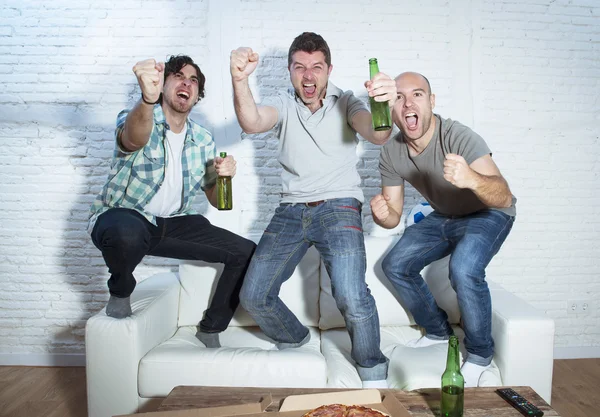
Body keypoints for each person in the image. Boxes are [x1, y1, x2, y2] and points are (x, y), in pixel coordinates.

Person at [230, 32, 397, 388]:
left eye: (316, 67)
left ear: (329, 69)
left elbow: (377, 134)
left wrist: (386, 100)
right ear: (290, 70)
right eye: (300, 67)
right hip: (290, 210)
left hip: (339, 206)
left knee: (350, 295)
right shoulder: (283, 103)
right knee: (254, 295)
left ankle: (372, 372)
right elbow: (252, 121)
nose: (308, 76)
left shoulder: (347, 102)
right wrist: (240, 80)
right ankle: (294, 340)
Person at [88, 55, 256, 348]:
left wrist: (225, 177)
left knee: (245, 252)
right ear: (163, 85)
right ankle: (121, 290)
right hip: (125, 216)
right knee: (126, 231)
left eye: (193, 81)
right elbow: (133, 138)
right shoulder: (137, 116)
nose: (186, 83)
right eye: (178, 76)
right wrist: (146, 99)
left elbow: (217, 201)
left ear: (197, 95)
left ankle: (211, 327)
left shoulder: (202, 139)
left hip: (175, 224)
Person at [370, 72, 516, 387]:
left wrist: (472, 179)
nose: (408, 103)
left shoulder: (458, 136)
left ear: (432, 102)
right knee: (395, 265)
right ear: (391, 109)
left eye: (418, 95)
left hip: (488, 213)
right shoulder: (391, 152)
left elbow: (503, 194)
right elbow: (393, 215)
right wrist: (383, 214)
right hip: (444, 215)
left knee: (463, 269)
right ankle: (438, 331)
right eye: (398, 97)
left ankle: (479, 355)